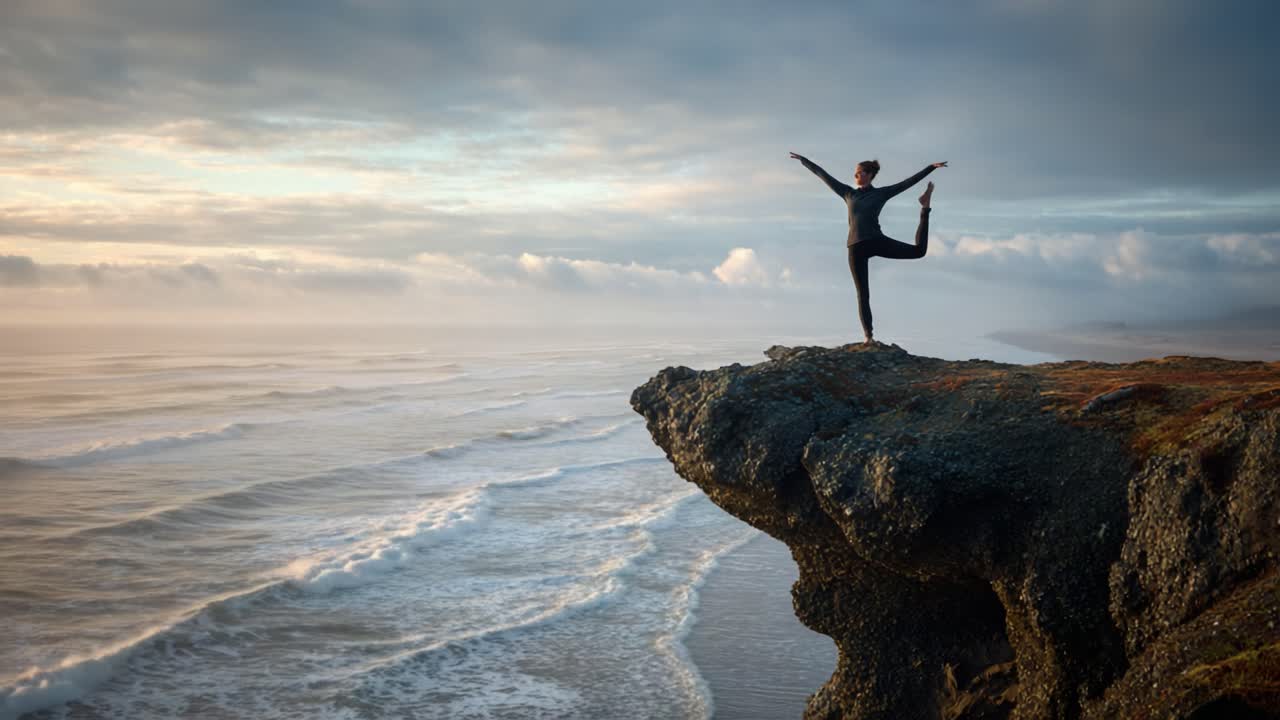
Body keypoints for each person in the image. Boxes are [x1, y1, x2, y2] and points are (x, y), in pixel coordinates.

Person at [790, 152, 947, 343]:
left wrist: (930, 168)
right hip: (855, 247)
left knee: (919, 252)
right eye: (855, 174)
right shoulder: (848, 193)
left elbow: (907, 183)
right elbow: (823, 175)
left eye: (860, 173)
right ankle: (868, 337)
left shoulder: (880, 193)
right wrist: (804, 161)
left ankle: (925, 207)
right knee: (862, 293)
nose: (856, 177)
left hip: (875, 240)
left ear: (870, 174)